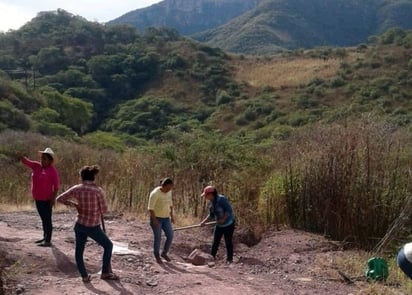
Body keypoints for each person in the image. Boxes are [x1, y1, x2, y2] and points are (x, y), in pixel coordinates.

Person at [56, 165, 119, 282]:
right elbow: (104, 210)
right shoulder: (98, 191)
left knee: (79, 251)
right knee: (108, 246)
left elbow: (59, 198)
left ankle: (84, 276)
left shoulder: (77, 188)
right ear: (93, 177)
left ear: (82, 177)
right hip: (93, 226)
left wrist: (75, 205)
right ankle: (105, 272)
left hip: (80, 224)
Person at [19, 147, 60, 247]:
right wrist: (20, 155)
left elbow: (56, 187)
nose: (42, 160)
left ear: (50, 160)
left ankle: (48, 240)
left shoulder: (52, 171)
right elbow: (26, 161)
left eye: (45, 159)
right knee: (43, 219)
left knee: (47, 219)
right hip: (37, 198)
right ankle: (44, 237)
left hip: (46, 199)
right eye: (42, 158)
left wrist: (52, 200)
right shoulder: (36, 166)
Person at [200, 185, 235, 264]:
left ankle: (230, 259)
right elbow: (211, 215)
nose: (205, 197)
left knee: (228, 241)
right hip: (219, 225)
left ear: (211, 194)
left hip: (228, 224)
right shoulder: (211, 203)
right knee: (215, 242)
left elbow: (229, 210)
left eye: (206, 195)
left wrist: (224, 219)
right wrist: (204, 222)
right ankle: (212, 258)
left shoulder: (221, 199)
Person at [148, 177, 174, 263]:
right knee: (158, 237)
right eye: (167, 188)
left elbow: (170, 204)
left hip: (166, 218)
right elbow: (150, 208)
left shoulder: (169, 192)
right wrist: (154, 220)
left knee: (170, 235)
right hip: (157, 218)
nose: (169, 190)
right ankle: (157, 255)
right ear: (163, 185)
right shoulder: (155, 194)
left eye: (170, 188)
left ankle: (164, 253)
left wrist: (172, 216)